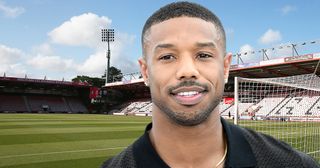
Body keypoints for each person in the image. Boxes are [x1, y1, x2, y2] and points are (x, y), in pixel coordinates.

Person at [101, 2, 319, 168]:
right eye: (167, 57)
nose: (187, 70)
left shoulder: (290, 163)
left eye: (203, 54)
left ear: (225, 68)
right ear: (145, 71)